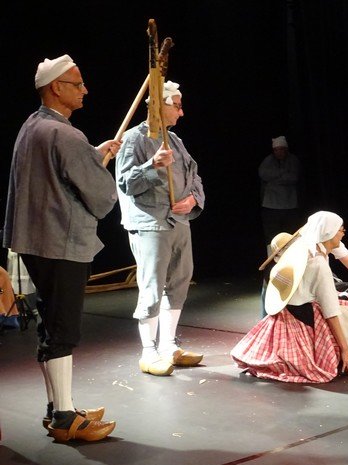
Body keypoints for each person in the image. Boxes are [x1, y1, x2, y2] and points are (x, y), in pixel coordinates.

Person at [3, 54, 119, 442]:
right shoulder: (67, 135)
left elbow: (53, 174)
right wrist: (96, 164)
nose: (85, 89)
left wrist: (92, 156)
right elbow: (100, 194)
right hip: (61, 241)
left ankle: (57, 407)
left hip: (35, 240)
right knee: (63, 328)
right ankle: (66, 417)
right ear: (56, 88)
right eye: (77, 84)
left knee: (51, 323)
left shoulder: (32, 127)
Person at [232, 211, 348, 383]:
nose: (343, 233)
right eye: (341, 230)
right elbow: (331, 311)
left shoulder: (304, 245)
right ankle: (345, 360)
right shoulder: (318, 264)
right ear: (329, 233)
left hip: (291, 310)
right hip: (305, 314)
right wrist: (344, 350)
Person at [116, 80, 205, 377]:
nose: (181, 112)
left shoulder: (175, 140)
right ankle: (148, 351)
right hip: (151, 222)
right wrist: (151, 165)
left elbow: (194, 175)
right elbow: (125, 183)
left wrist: (193, 199)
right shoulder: (134, 139)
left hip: (178, 221)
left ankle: (168, 345)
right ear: (159, 105)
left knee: (180, 280)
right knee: (152, 285)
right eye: (177, 106)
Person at [258, 135, 301, 249]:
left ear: (286, 149)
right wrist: (282, 173)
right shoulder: (268, 160)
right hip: (271, 206)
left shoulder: (293, 160)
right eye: (276, 150)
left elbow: (293, 177)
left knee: (290, 235)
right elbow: (263, 174)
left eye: (281, 149)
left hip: (290, 206)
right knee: (271, 236)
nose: (279, 152)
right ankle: (272, 257)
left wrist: (275, 179)